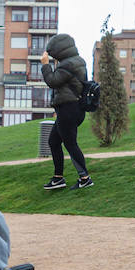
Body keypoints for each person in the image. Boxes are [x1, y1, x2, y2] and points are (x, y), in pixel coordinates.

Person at [40, 33, 93, 191]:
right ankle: (58, 178)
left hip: (69, 109)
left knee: (70, 144)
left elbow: (52, 81)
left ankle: (85, 178)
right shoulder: (76, 61)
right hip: (72, 108)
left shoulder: (68, 64)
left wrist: (45, 65)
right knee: (54, 141)